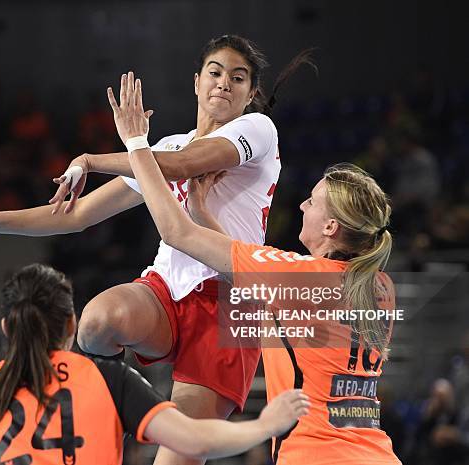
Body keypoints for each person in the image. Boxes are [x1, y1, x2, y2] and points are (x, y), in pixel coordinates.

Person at [0, 35, 315, 465]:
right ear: (196, 81)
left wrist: (97, 156)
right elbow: (76, 216)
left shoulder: (257, 130)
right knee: (97, 321)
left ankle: (141, 416)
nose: (224, 83)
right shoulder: (161, 148)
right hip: (166, 288)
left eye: (237, 78)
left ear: (250, 93)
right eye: (216, 72)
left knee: (179, 456)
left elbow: (185, 164)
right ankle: (106, 416)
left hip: (227, 301)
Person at [111, 72, 402, 464]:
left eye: (313, 203)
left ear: (331, 227)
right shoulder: (379, 286)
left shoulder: (297, 276)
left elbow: (174, 232)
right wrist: (202, 213)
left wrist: (135, 144)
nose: (302, 207)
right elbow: (250, 278)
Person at [0, 263, 309, 465]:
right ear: (72, 324)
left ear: (7, 327)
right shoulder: (107, 379)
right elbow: (196, 441)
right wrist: (266, 425)